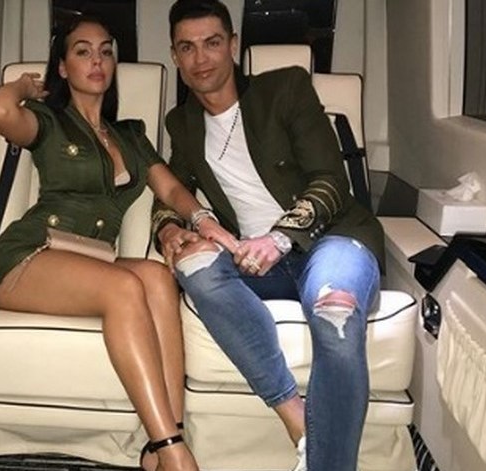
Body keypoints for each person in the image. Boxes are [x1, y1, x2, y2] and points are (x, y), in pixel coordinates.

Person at [0, 14, 236, 471]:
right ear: (63, 67)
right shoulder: (48, 122)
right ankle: (173, 452)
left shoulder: (129, 135)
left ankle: (164, 442)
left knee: (156, 276)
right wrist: (23, 86)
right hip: (29, 255)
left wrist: (201, 219)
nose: (97, 61)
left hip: (89, 258)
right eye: (82, 52)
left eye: (105, 51)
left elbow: (170, 188)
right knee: (124, 287)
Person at [152, 1, 386, 470]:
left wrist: (278, 239)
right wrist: (170, 228)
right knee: (193, 265)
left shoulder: (285, 89)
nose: (201, 58)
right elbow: (172, 192)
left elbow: (330, 181)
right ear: (175, 56)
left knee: (336, 316)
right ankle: (295, 417)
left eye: (212, 43)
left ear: (233, 45)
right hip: (252, 261)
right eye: (187, 47)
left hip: (330, 241)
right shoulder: (183, 123)